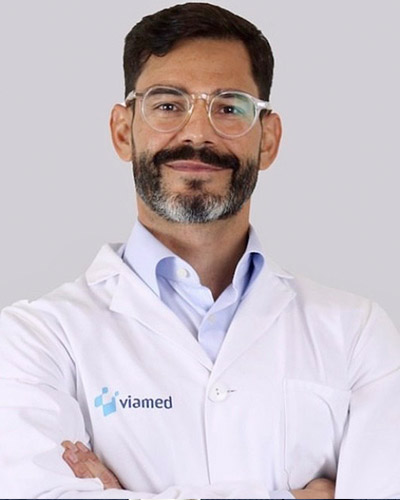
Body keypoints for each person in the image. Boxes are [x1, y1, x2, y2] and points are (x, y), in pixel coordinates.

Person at [1, 2, 399, 499]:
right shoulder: (34, 339)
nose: (197, 133)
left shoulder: (356, 334)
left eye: (229, 107)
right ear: (123, 132)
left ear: (268, 140)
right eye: (168, 104)